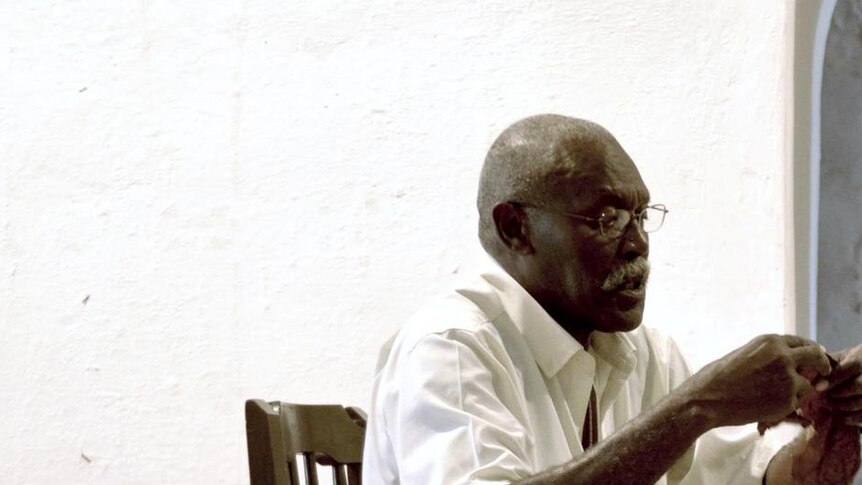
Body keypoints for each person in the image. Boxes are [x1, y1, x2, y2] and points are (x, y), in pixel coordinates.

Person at [362, 114, 862, 484]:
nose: (637, 243)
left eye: (642, 216)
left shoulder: (645, 355)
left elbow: (745, 477)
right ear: (515, 228)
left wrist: (825, 438)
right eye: (606, 219)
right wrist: (700, 404)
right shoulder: (450, 346)